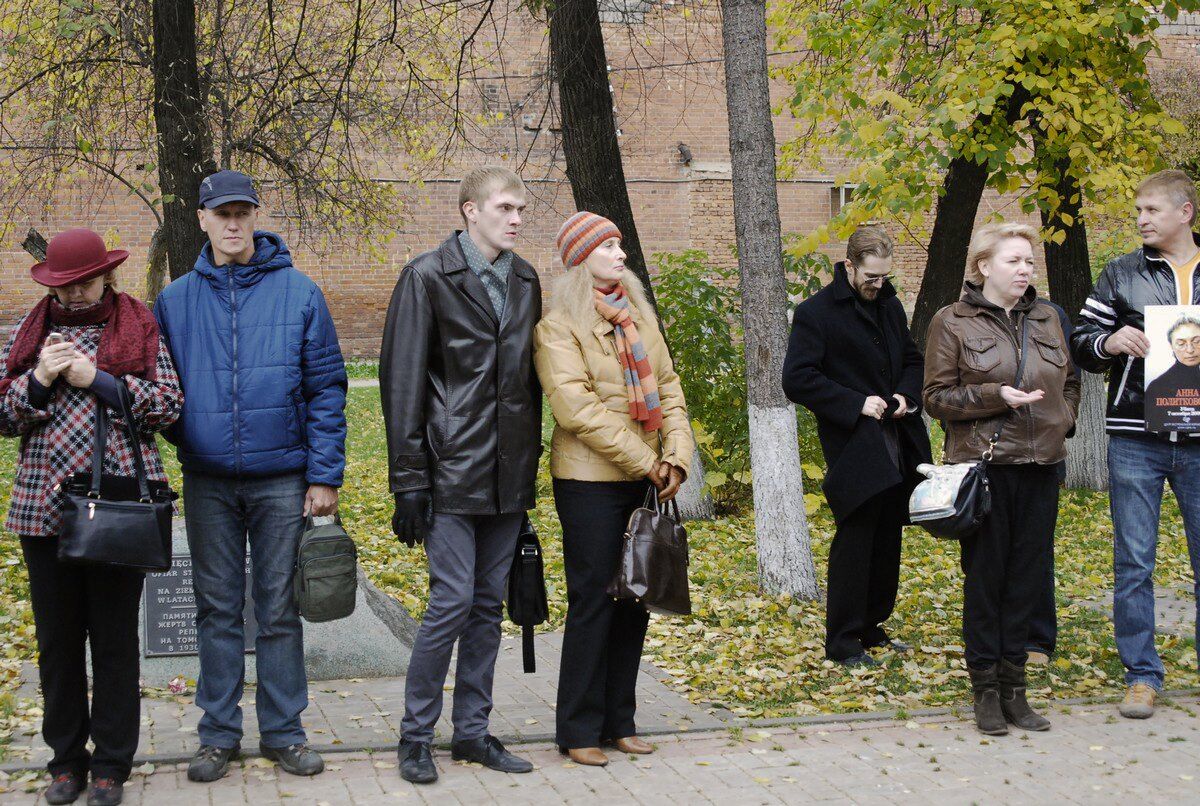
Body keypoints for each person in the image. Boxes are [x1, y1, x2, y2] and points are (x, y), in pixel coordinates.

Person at [153, 170, 347, 782]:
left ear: (255, 217)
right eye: (222, 212)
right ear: (204, 220)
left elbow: (327, 390)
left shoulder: (299, 293)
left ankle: (285, 734)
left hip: (282, 480)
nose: (233, 222)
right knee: (215, 610)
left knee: (279, 608)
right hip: (209, 481)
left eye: (243, 211)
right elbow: (163, 390)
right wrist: (193, 443)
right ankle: (217, 736)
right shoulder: (176, 299)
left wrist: (324, 475)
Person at [0, 229, 183, 806]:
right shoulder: (29, 333)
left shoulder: (138, 325)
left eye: (85, 281)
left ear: (108, 275)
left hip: (118, 504)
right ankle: (65, 762)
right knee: (57, 641)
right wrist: (39, 379)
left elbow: (168, 404)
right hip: (44, 507)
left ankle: (110, 765)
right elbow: (3, 415)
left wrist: (97, 379)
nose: (76, 293)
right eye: (64, 284)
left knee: (112, 640)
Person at [381, 166, 541, 784]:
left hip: (507, 472)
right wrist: (409, 481)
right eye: (505, 207)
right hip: (449, 469)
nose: (517, 218)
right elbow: (402, 384)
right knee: (449, 602)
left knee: (486, 605)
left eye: (520, 209)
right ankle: (414, 735)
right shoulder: (427, 276)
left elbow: (525, 380)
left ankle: (472, 732)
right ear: (470, 210)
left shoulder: (525, 278)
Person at [534, 211, 693, 767]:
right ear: (581, 260)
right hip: (589, 481)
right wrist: (647, 461)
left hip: (644, 474)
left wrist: (674, 455)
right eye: (607, 247)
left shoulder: (638, 319)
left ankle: (619, 721)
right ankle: (578, 728)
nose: (620, 255)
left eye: (620, 245)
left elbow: (669, 389)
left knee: (635, 599)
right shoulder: (558, 326)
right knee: (596, 599)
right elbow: (576, 410)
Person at [923, 222, 1080, 736]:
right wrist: (996, 397)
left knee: (1026, 583)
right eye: (1014, 261)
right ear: (983, 266)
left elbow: (1070, 381)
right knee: (987, 582)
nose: (1025, 270)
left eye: (1029, 263)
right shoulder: (953, 322)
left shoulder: (1047, 317)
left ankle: (1017, 690)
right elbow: (937, 398)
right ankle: (985, 691)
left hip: (1041, 468)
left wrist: (1064, 421)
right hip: (986, 472)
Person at [1070, 169, 1200, 720]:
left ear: (1185, 212)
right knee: (1134, 562)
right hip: (1135, 438)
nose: (1141, 220)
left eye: (1151, 210)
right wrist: (1109, 340)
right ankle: (1142, 676)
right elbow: (1081, 342)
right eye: (1138, 212)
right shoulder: (1121, 273)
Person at [782, 226, 932, 667]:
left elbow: (911, 359)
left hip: (898, 437)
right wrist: (855, 403)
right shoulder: (817, 312)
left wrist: (907, 395)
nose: (877, 285)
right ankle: (843, 639)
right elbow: (797, 378)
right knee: (857, 536)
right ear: (849, 265)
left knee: (889, 535)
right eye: (870, 276)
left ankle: (872, 625)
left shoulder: (889, 305)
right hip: (853, 442)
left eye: (884, 277)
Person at [1144, 315, 1200, 413]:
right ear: (1172, 346)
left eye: (1197, 341)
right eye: (1181, 344)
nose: (1190, 350)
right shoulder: (1158, 387)